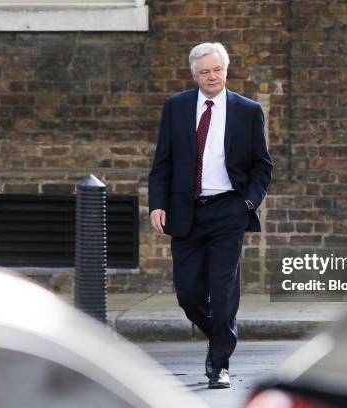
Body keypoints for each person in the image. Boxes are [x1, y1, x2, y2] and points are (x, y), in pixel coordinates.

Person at [148, 42, 273, 389]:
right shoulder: (176, 108)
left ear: (226, 70)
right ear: (194, 75)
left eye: (217, 70)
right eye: (204, 72)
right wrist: (157, 204)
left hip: (228, 212)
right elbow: (162, 164)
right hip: (185, 212)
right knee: (188, 294)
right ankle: (222, 336)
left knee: (222, 296)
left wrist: (247, 204)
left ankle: (220, 364)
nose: (212, 77)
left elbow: (263, 167)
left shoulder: (247, 111)